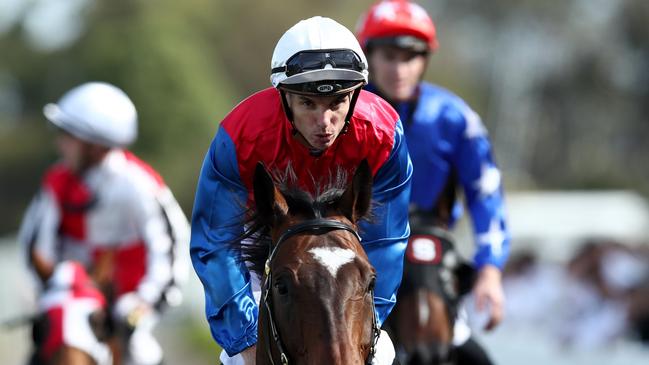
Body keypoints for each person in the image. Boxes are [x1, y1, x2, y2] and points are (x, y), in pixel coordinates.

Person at [189, 16, 412, 365]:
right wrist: (244, 336)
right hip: (257, 238)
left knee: (381, 354)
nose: (324, 123)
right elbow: (216, 245)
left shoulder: (384, 134)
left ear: (355, 97)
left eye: (336, 103)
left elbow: (386, 240)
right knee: (239, 358)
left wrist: (369, 324)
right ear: (284, 97)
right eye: (308, 104)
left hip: (346, 244)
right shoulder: (240, 136)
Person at [356, 1, 511, 364]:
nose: (398, 68)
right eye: (389, 56)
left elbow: (486, 195)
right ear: (370, 56)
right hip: (358, 246)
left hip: (429, 246)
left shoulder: (455, 117)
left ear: (424, 60)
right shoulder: (345, 114)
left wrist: (490, 270)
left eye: (409, 57)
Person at [18, 81, 190, 365]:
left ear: (95, 147)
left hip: (128, 303)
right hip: (74, 298)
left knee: (143, 353)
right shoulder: (55, 182)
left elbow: (169, 248)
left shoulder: (140, 185)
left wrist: (144, 303)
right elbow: (35, 248)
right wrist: (53, 294)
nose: (59, 143)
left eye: (67, 136)